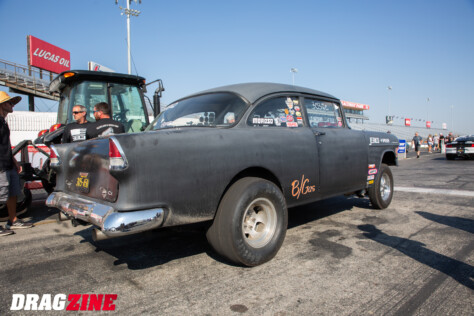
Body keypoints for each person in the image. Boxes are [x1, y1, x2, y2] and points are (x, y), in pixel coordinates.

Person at [0, 92, 34, 235]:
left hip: (8, 162)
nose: (12, 105)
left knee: (12, 193)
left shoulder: (3, 121)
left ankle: (12, 220)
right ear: (1, 104)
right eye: (9, 103)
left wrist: (13, 160)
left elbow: (5, 143)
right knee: (1, 194)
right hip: (0, 165)